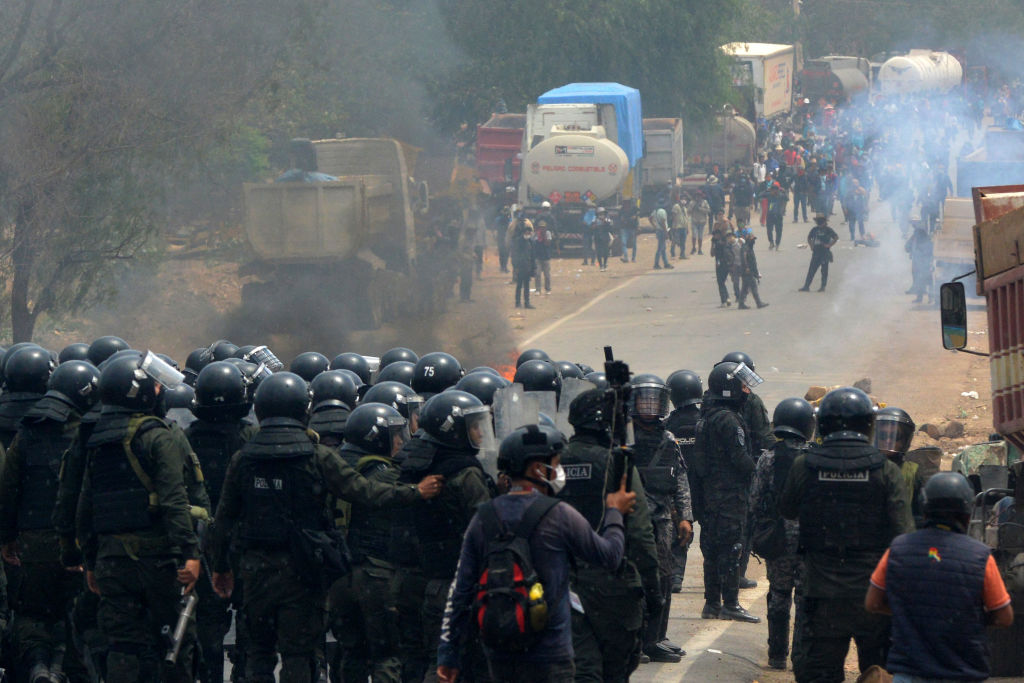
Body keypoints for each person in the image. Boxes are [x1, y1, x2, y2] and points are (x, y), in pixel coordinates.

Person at [209, 372, 442, 683]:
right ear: (302, 409)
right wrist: (416, 491)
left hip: (255, 571)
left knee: (259, 653)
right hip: (302, 572)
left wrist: (221, 568)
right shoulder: (315, 456)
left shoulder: (243, 459)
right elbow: (364, 492)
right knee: (299, 654)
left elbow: (223, 521)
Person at [436, 424, 635, 683]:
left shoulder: (483, 518)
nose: (559, 470)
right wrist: (614, 512)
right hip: (550, 655)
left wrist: (448, 656)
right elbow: (610, 556)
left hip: (499, 654)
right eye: (556, 463)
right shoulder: (559, 514)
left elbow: (460, 592)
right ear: (538, 469)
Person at [75, 353, 201, 683]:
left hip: (111, 561)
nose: (160, 390)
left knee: (123, 645)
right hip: (157, 560)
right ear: (139, 392)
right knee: (173, 641)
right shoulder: (157, 435)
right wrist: (190, 552)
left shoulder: (99, 439)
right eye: (155, 385)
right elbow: (175, 501)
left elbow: (86, 506)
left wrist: (90, 560)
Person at [779, 386, 914, 683]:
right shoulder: (885, 470)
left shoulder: (805, 465)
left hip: (822, 593)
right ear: (869, 424)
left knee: (822, 673)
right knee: (877, 672)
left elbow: (787, 509)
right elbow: (904, 535)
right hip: (874, 596)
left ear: (823, 423)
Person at [0, 360, 100, 681]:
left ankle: (39, 664)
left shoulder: (28, 432)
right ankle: (63, 668)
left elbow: (8, 489)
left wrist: (7, 538)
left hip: (34, 541)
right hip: (79, 541)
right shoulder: (92, 433)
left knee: (32, 612)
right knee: (78, 612)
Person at [865, 472, 1013, 682]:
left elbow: (873, 603)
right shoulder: (980, 556)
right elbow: (1004, 617)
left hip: (910, 671)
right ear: (967, 513)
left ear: (924, 509)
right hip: (963, 672)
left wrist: (907, 612)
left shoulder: (898, 549)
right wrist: (971, 618)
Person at [559, 389, 661, 681]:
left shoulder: (553, 462)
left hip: (562, 584)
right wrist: (653, 591)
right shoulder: (619, 466)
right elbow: (641, 535)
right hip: (613, 588)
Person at [328, 403, 412, 683]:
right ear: (376, 438)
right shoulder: (388, 476)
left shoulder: (337, 467)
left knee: (352, 652)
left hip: (340, 574)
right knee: (386, 654)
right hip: (378, 575)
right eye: (395, 435)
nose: (401, 441)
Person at [748, 397, 815, 671]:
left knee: (778, 596)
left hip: (779, 540)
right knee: (804, 600)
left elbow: (754, 499)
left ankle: (777, 656)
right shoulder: (815, 458)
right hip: (810, 540)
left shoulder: (769, 458)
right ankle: (800, 658)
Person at [690, 361, 760, 623]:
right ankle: (730, 603)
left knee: (712, 550)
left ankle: (712, 604)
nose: (747, 391)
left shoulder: (707, 418)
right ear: (730, 388)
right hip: (729, 497)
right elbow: (741, 460)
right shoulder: (729, 422)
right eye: (743, 385)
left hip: (710, 497)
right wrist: (760, 474)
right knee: (732, 548)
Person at [630, 374, 692, 662]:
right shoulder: (624, 439)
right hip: (632, 520)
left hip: (664, 519)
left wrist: (686, 518)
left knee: (664, 578)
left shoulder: (668, 439)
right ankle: (636, 641)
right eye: (644, 400)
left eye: (655, 401)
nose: (649, 407)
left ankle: (656, 637)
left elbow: (680, 479)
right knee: (637, 580)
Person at [665, 370, 702, 594]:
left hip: (678, 488)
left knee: (679, 530)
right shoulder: (704, 422)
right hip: (703, 487)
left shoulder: (669, 425)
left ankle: (676, 576)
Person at [874, 406, 926, 528]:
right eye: (882, 435)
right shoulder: (863, 468)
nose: (888, 441)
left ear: (904, 441)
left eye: (895, 436)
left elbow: (920, 514)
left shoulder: (912, 472)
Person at [799, 214, 838, 292]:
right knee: (811, 270)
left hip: (824, 252)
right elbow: (809, 237)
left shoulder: (828, 230)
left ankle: (823, 287)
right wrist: (811, 246)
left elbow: (836, 237)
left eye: (820, 221)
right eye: (818, 221)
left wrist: (829, 245)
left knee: (824, 271)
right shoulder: (814, 229)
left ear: (824, 222)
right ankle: (806, 286)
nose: (819, 223)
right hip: (816, 252)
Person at [737, 227, 768, 309]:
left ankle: (741, 303)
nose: (753, 241)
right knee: (753, 286)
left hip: (748, 271)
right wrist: (747, 267)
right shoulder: (745, 247)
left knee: (745, 288)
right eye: (752, 239)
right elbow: (744, 258)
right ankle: (759, 303)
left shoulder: (749, 247)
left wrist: (756, 272)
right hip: (747, 271)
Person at [905, 223, 934, 304]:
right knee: (924, 281)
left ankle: (925, 298)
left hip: (923, 264)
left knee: (922, 280)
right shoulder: (926, 239)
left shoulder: (916, 238)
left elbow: (907, 248)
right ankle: (926, 298)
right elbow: (907, 247)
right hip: (923, 264)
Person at [510, 219, 536, 309]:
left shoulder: (531, 242)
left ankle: (527, 303)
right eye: (527, 232)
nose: (528, 234)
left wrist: (533, 268)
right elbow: (515, 255)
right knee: (519, 286)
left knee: (526, 286)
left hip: (528, 268)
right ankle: (517, 303)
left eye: (529, 232)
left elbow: (533, 256)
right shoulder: (519, 241)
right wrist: (516, 267)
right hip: (520, 267)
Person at [710, 219, 735, 307]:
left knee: (720, 282)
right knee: (722, 282)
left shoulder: (718, 243)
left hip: (721, 264)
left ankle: (724, 301)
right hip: (726, 263)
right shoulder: (726, 241)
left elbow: (712, 254)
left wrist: (713, 244)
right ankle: (727, 298)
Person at [533, 205, 555, 294]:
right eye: (540, 227)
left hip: (546, 256)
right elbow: (534, 244)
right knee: (537, 274)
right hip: (538, 256)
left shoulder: (548, 233)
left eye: (543, 227)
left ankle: (547, 289)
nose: (542, 229)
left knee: (547, 275)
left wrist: (544, 236)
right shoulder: (535, 234)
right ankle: (538, 289)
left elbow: (548, 244)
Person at [766, 183, 787, 250]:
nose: (774, 191)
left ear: (778, 190)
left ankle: (777, 244)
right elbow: (759, 195)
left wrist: (784, 191)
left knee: (779, 231)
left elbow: (787, 198)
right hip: (770, 215)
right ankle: (771, 242)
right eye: (773, 189)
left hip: (778, 215)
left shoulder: (781, 195)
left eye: (776, 189)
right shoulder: (769, 195)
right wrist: (767, 190)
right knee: (769, 230)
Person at [593, 207, 614, 271]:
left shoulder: (608, 220)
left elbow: (611, 228)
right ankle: (601, 266)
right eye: (600, 214)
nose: (601, 215)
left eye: (602, 214)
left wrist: (606, 223)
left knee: (605, 252)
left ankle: (605, 264)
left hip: (605, 238)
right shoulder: (595, 221)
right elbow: (591, 228)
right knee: (598, 253)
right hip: (597, 238)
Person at [620, 198, 639, 263]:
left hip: (633, 229)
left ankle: (633, 258)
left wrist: (637, 228)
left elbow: (636, 219)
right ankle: (626, 257)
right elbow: (621, 219)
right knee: (623, 243)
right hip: (624, 229)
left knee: (634, 244)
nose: (626, 204)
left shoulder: (634, 209)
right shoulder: (622, 210)